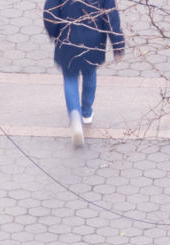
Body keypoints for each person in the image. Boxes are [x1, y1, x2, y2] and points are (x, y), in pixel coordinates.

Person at [43, 0, 124, 148]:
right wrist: (117, 42)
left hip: (67, 39)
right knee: (90, 72)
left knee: (70, 78)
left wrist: (54, 32)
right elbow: (110, 16)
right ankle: (86, 113)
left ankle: (75, 118)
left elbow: (50, 13)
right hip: (93, 42)